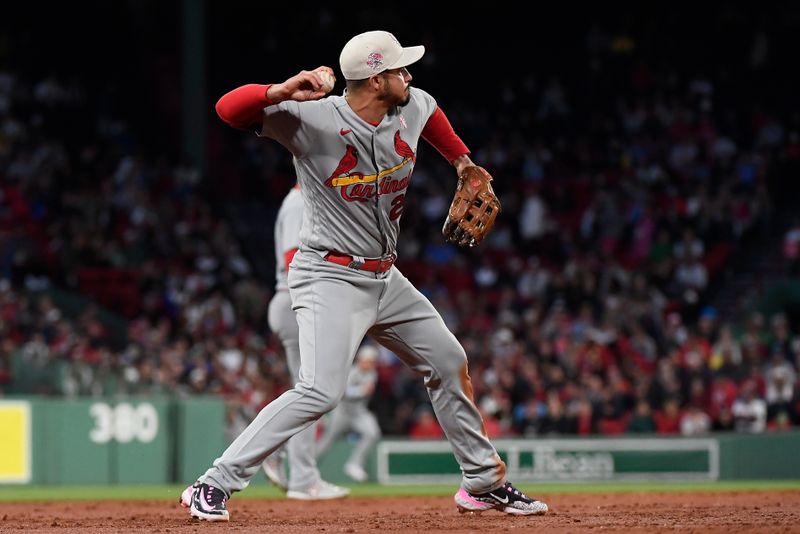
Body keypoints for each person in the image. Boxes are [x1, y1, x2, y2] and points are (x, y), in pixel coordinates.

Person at [181, 29, 548, 521]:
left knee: (447, 359)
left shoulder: (411, 104)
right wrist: (282, 91)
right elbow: (228, 109)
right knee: (318, 391)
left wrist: (462, 161)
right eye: (399, 69)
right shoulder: (310, 119)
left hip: (384, 277)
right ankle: (214, 482)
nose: (409, 75)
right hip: (327, 274)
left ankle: (482, 483)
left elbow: (433, 113)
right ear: (376, 80)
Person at [260, 183, 350, 500]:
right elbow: (291, 259)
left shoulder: (306, 199)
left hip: (294, 301)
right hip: (294, 301)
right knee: (315, 391)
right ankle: (296, 472)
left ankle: (293, 466)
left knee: (313, 390)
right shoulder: (299, 202)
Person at [315, 343, 382, 482]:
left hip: (359, 414)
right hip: (342, 414)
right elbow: (342, 393)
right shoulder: (351, 373)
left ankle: (354, 464)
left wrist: (362, 391)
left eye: (372, 361)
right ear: (360, 360)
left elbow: (366, 390)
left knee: (372, 433)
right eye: (367, 361)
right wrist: (360, 391)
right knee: (326, 442)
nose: (370, 364)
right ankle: (308, 469)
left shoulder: (373, 374)